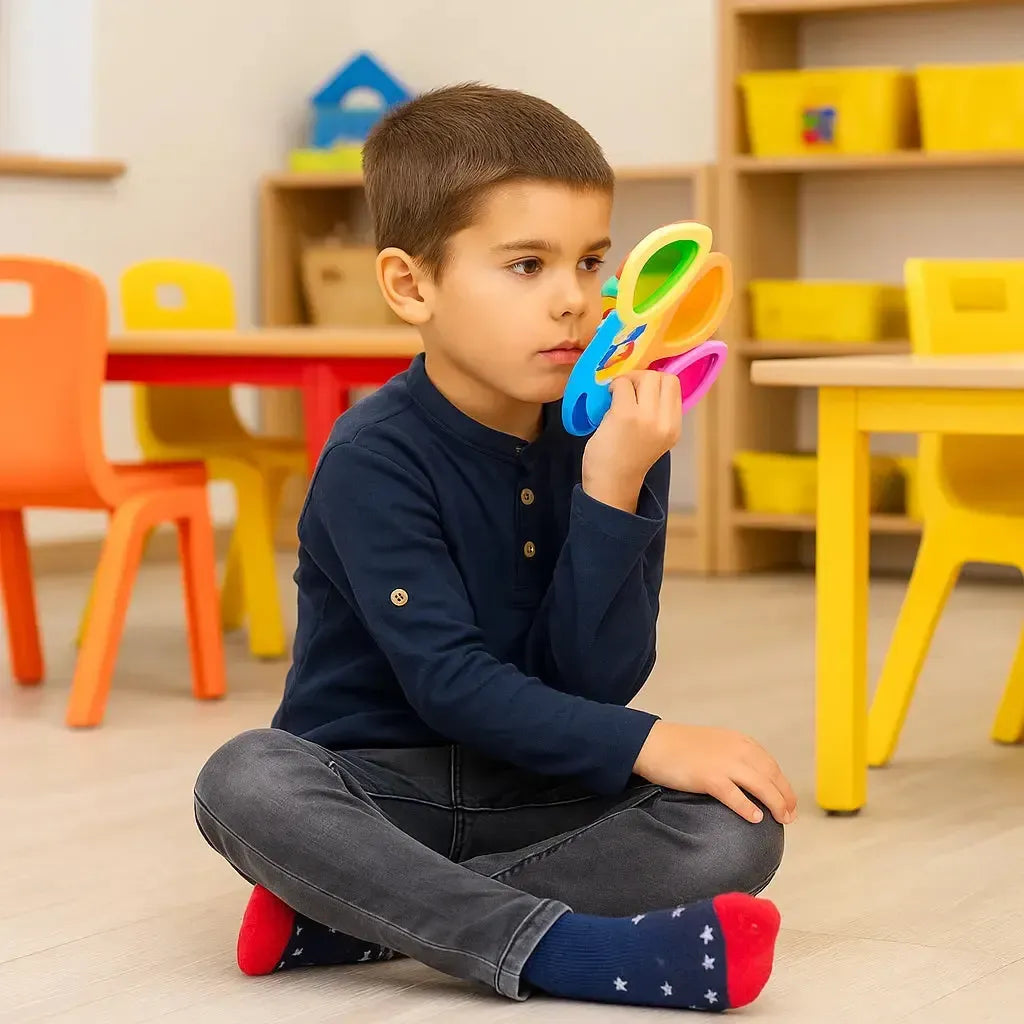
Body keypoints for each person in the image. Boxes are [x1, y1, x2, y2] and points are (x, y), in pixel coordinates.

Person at [194, 83, 796, 1014]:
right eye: (526, 266)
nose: (575, 300)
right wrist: (653, 741)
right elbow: (450, 685)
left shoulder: (619, 439)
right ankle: (564, 952)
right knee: (245, 778)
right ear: (411, 285)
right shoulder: (372, 456)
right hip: (379, 784)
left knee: (735, 831)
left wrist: (611, 487)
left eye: (592, 262)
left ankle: (365, 913)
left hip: (536, 787)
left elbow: (596, 679)